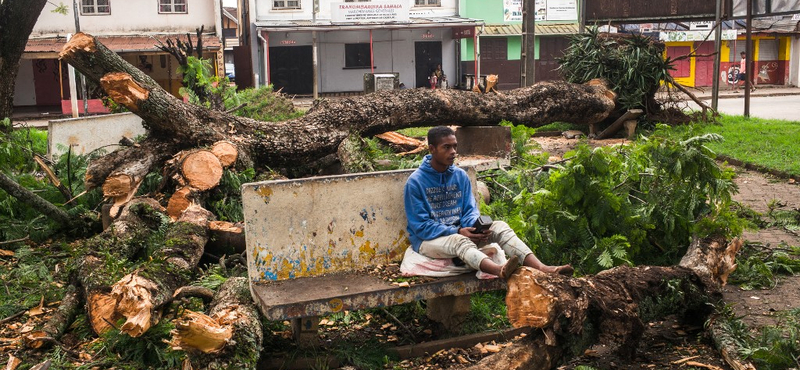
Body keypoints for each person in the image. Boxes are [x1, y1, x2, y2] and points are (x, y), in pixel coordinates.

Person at [403, 126, 573, 280]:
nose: (453, 151)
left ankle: (543, 268)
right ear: (432, 149)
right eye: (446, 147)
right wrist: (457, 231)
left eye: (455, 146)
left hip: (461, 233)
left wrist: (476, 228)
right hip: (428, 241)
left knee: (500, 227)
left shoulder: (460, 176)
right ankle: (500, 270)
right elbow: (421, 226)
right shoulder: (416, 182)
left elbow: (470, 210)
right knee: (459, 241)